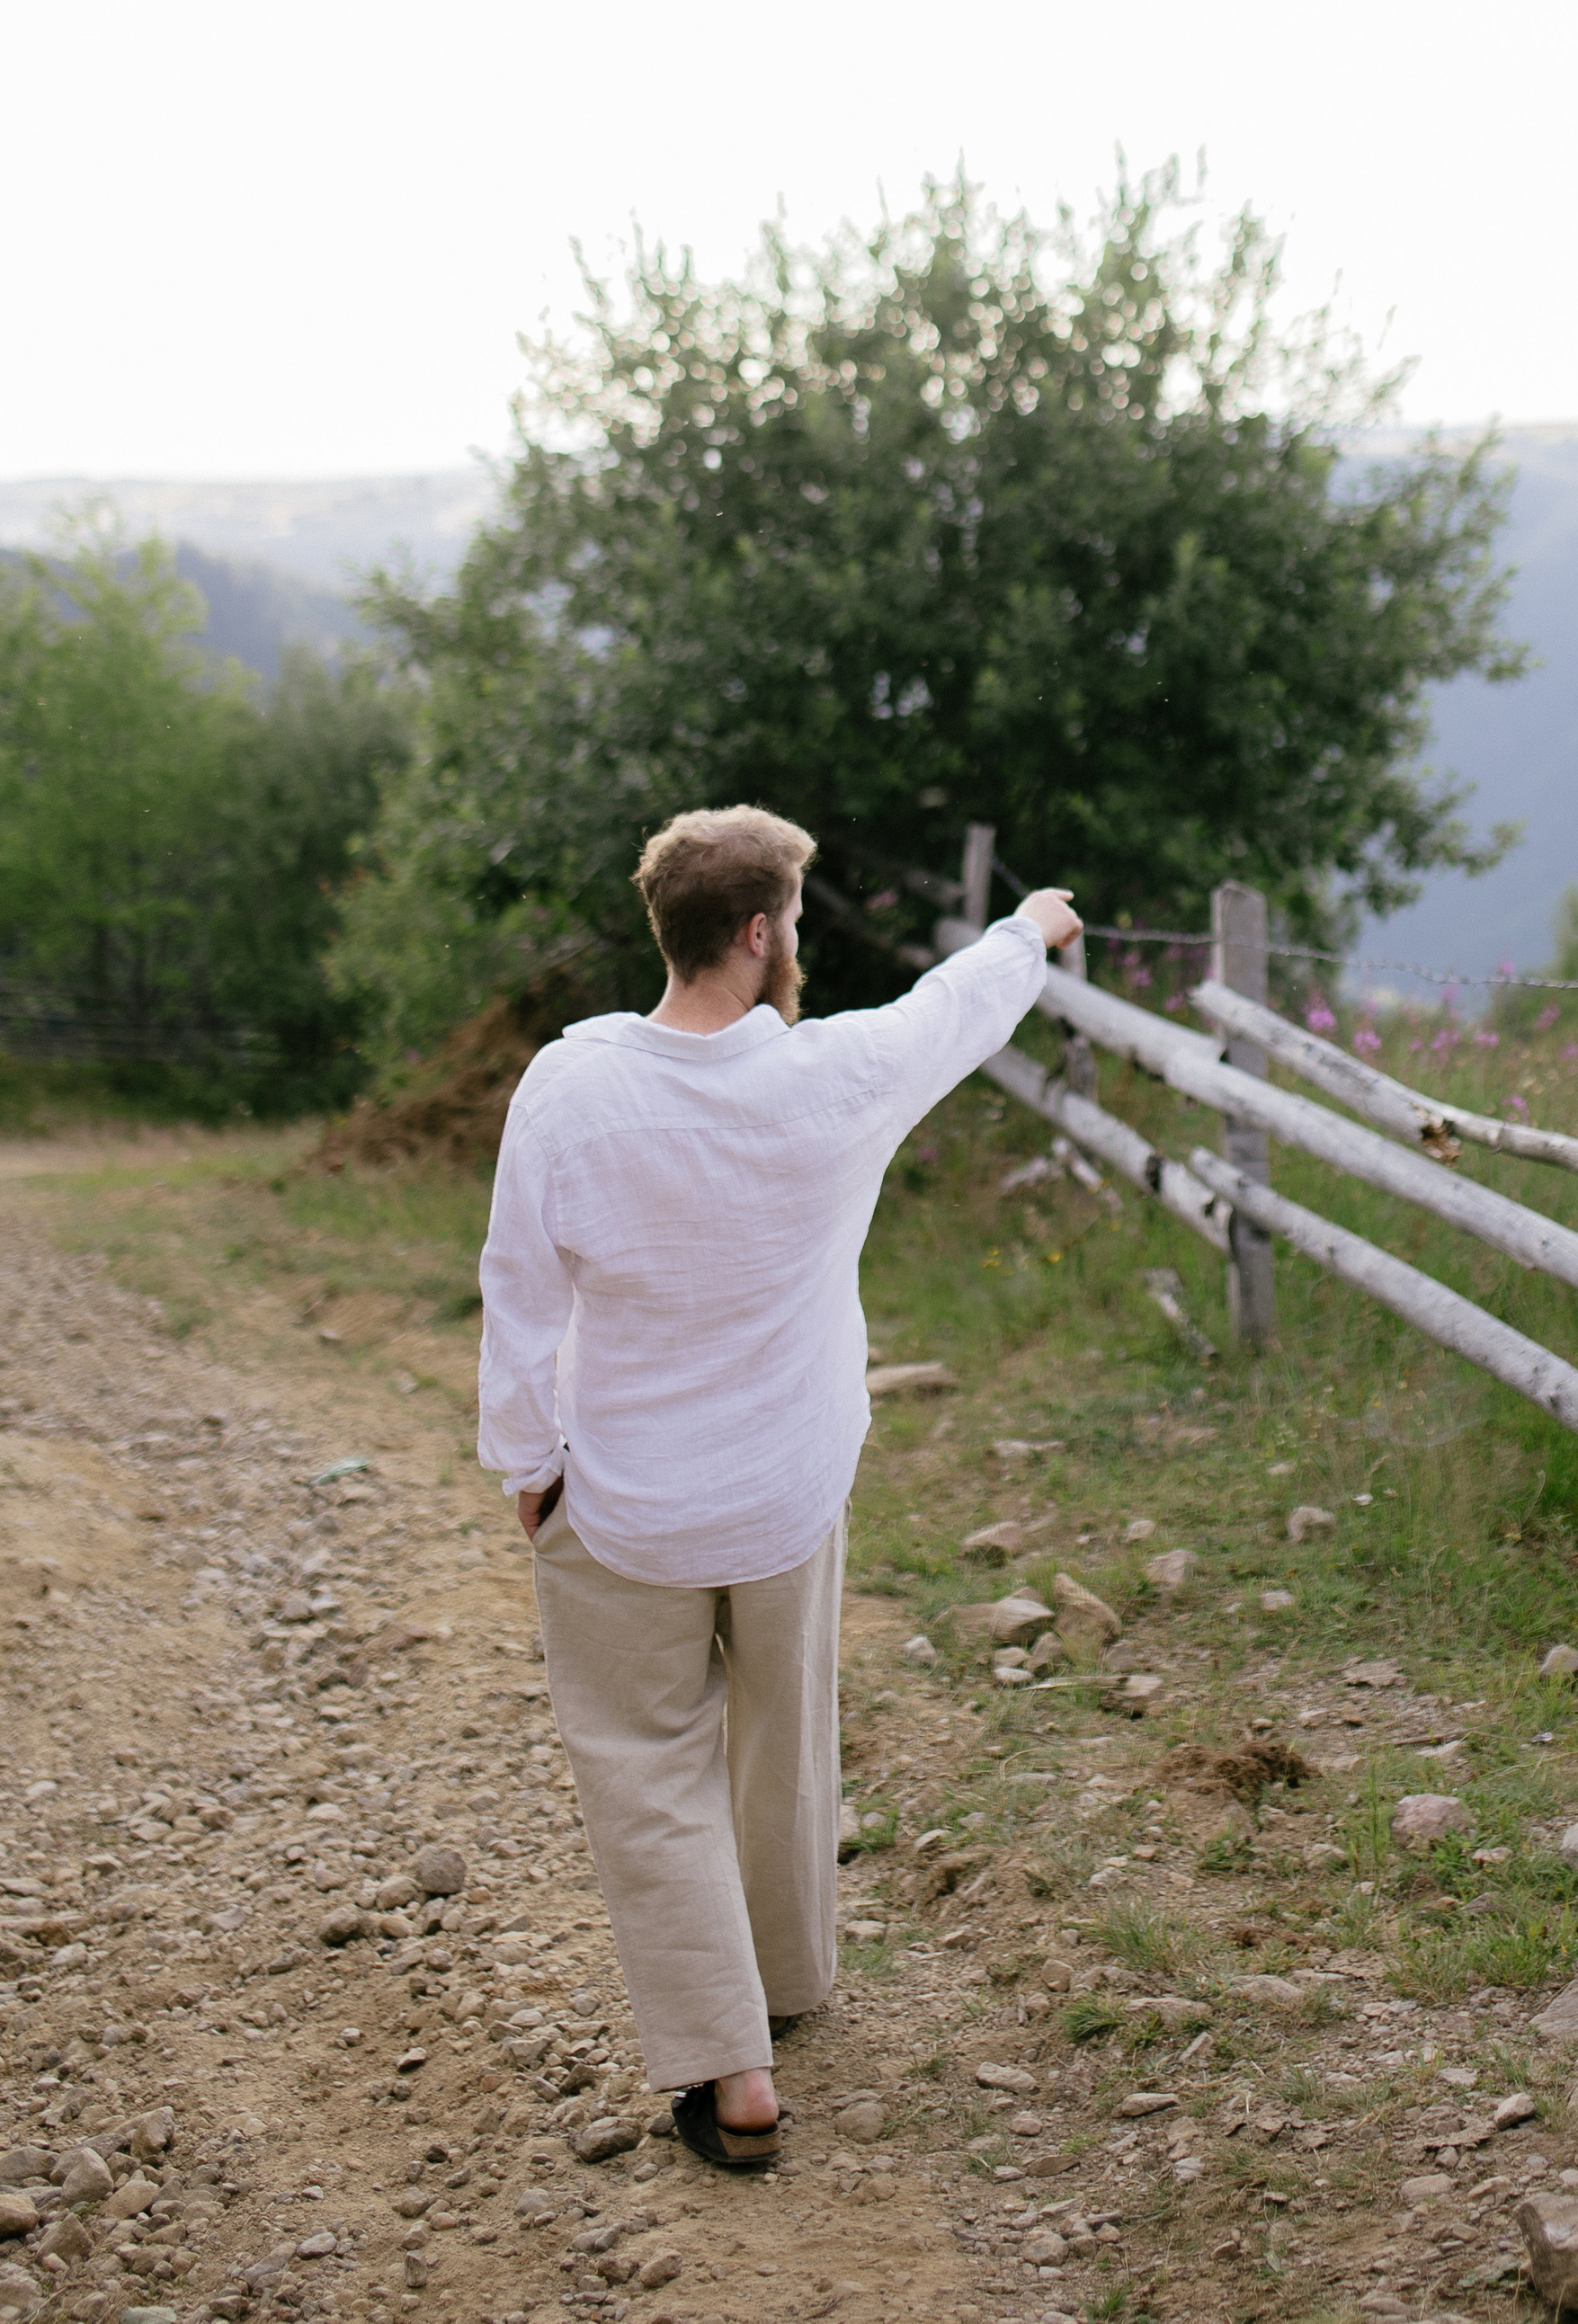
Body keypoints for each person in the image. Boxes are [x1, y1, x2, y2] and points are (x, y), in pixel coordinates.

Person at [476, 802, 1079, 2175]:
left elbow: (518, 1289)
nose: (798, 941)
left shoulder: (568, 1085)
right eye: (795, 921)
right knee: (784, 1737)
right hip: (786, 1490)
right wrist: (1033, 926)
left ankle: (729, 2065)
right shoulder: (833, 1077)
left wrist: (526, 1460)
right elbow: (953, 1010)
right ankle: (789, 1979)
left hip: (622, 1501)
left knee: (647, 1770)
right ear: (760, 935)